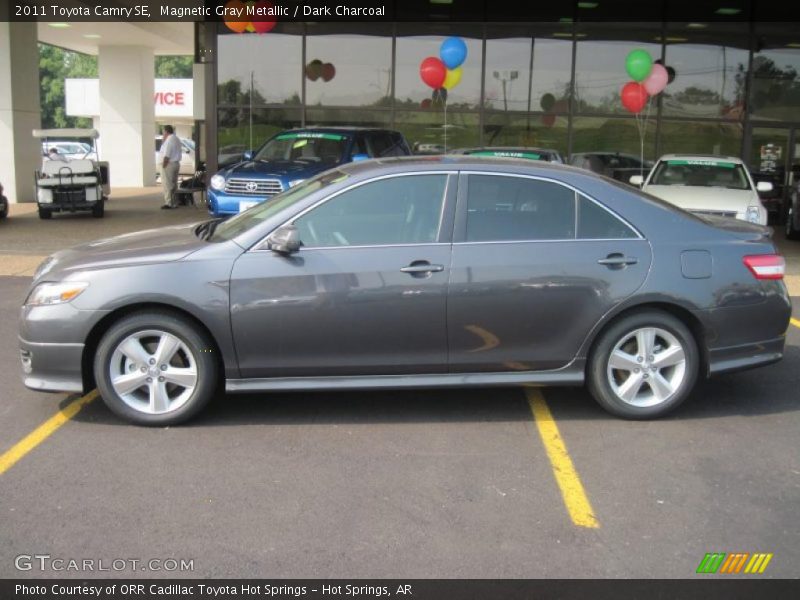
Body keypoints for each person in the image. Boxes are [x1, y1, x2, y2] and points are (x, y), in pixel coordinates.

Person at [158, 125, 182, 209]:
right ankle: (174, 202)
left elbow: (167, 154)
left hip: (169, 164)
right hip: (175, 163)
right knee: (173, 184)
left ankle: (169, 203)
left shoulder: (169, 140)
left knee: (167, 184)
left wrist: (164, 165)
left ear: (166, 131)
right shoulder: (176, 139)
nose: (163, 134)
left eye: (163, 132)